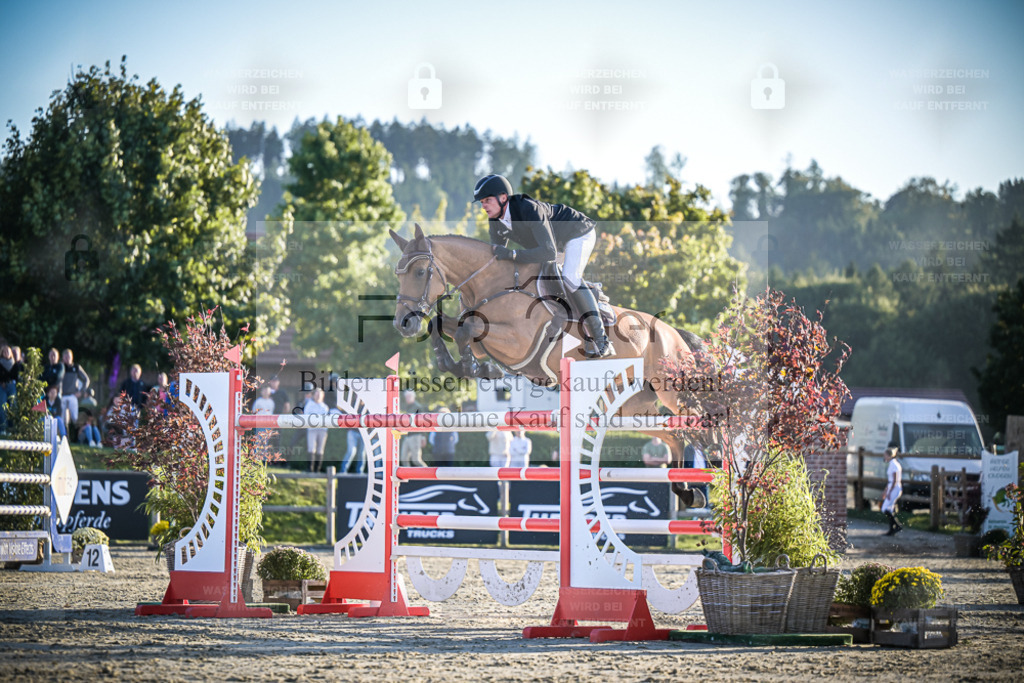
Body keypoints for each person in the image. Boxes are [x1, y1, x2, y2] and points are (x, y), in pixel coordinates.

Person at [474, 173, 614, 358]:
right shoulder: (495, 221)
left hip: (578, 233)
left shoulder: (528, 209)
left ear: (503, 197)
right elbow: (499, 257)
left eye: (487, 200)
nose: (484, 206)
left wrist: (514, 254)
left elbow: (548, 253)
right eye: (482, 202)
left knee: (570, 278)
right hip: (554, 245)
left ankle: (601, 339)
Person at [60, 348, 90, 431]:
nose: (67, 359)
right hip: (62, 395)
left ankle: (80, 434)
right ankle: (65, 436)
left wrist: (81, 391)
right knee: (63, 419)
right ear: (63, 358)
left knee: (75, 418)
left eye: (69, 357)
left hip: (73, 395)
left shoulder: (76, 367)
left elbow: (86, 379)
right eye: (65, 357)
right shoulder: (61, 367)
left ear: (72, 357)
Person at [304, 388, 329, 473]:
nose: (318, 396)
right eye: (316, 394)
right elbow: (306, 416)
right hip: (312, 430)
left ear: (323, 396)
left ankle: (317, 470)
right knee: (311, 448)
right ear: (314, 395)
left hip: (322, 430)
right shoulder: (309, 405)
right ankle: (309, 469)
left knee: (320, 449)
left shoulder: (325, 407)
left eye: (320, 394)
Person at [881, 445, 903, 536]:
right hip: (892, 487)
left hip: (894, 488)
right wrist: (886, 490)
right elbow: (890, 480)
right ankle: (892, 529)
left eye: (885, 455)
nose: (884, 457)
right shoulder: (892, 464)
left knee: (884, 508)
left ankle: (897, 525)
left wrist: (889, 492)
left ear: (889, 455)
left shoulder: (894, 464)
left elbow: (895, 480)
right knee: (889, 509)